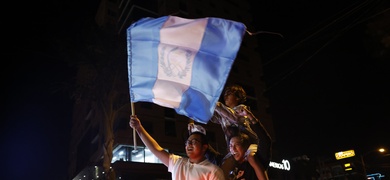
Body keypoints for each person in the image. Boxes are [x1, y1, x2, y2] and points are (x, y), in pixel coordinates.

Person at [129, 115, 225, 180]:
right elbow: (156, 149)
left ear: (204, 147)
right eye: (188, 142)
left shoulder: (214, 171)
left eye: (194, 142)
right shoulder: (178, 163)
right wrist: (139, 128)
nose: (189, 145)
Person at [210, 84, 272, 179]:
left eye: (229, 93)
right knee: (224, 165)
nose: (225, 96)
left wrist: (216, 104)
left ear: (238, 97)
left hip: (249, 144)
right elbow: (211, 116)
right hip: (234, 147)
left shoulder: (241, 109)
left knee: (251, 157)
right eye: (225, 94)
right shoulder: (222, 113)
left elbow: (233, 117)